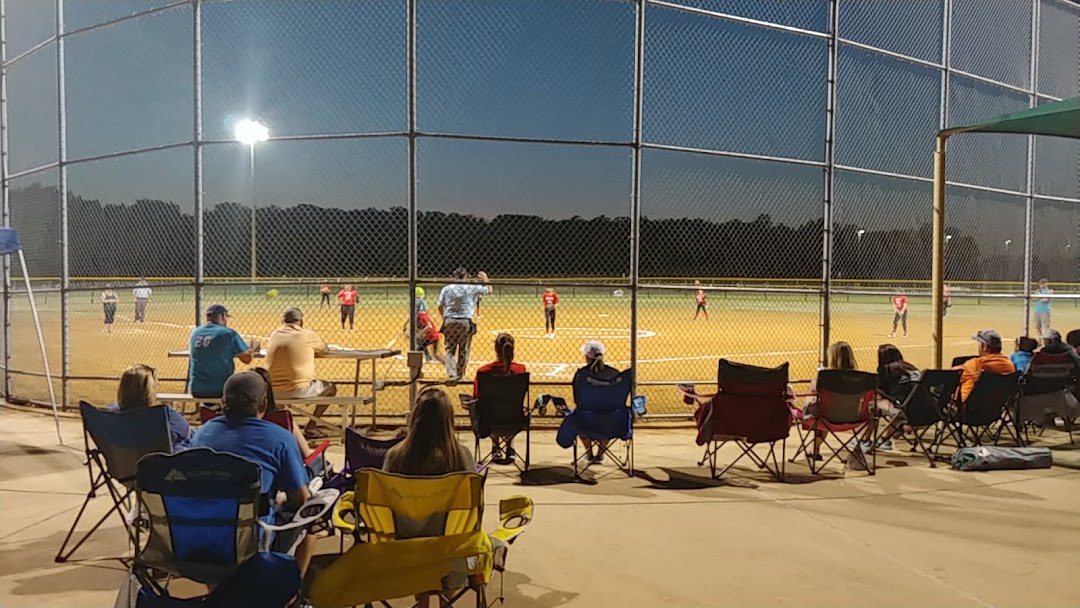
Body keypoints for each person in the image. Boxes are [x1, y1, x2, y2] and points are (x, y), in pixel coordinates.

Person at [190, 371, 315, 577]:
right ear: (263, 404)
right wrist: (281, 499)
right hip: (253, 543)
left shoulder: (202, 434)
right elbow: (301, 500)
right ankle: (290, 593)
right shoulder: (279, 439)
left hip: (203, 539)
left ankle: (219, 595)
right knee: (313, 521)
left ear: (223, 402)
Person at [265, 308, 335, 438]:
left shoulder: (274, 334)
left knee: (280, 396)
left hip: (272, 390)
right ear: (301, 321)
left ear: (282, 321)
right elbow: (325, 350)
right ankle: (311, 426)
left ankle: (282, 427)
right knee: (331, 387)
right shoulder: (307, 334)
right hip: (299, 389)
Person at [384, 387, 473, 476]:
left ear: (414, 419)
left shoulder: (394, 457)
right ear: (449, 422)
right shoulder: (463, 458)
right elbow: (475, 489)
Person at [471, 333, 528, 464]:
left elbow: (476, 396)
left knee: (489, 407)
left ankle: (496, 446)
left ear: (496, 349)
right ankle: (509, 446)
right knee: (508, 405)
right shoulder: (520, 369)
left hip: (488, 421)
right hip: (515, 420)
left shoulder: (484, 371)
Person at [109, 364, 190, 451]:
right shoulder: (164, 415)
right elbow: (185, 431)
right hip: (161, 462)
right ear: (149, 393)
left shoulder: (112, 414)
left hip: (124, 462)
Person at [188, 304, 257, 399]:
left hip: (196, 389)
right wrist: (251, 346)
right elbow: (247, 359)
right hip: (221, 389)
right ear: (223, 316)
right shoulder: (228, 333)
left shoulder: (195, 333)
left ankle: (210, 411)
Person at [805, 341, 859, 459]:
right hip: (854, 418)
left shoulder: (825, 377)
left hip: (827, 419)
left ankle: (815, 449)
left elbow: (814, 391)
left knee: (820, 410)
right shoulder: (859, 378)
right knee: (827, 410)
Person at [437, 268, 493, 382]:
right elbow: (489, 290)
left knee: (449, 349)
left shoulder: (447, 288)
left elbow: (439, 306)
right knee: (464, 349)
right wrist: (485, 278)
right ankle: (460, 375)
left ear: (454, 276)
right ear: (466, 276)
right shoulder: (471, 287)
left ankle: (451, 374)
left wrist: (445, 317)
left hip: (449, 320)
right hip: (465, 321)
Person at [573, 340, 620, 464]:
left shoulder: (581, 374)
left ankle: (589, 454)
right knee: (608, 415)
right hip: (611, 421)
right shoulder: (615, 374)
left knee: (578, 415)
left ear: (587, 357)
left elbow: (577, 399)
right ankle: (600, 455)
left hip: (587, 420)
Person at [873, 344, 923, 451]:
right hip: (928, 412)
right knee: (899, 402)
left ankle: (880, 439)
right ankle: (895, 430)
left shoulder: (886, 369)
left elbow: (881, 391)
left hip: (906, 411)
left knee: (874, 403)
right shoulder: (910, 367)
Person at [954, 330, 1016, 401]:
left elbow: (949, 377)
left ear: (984, 346)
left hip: (967, 408)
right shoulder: (1009, 365)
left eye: (979, 343)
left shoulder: (976, 364)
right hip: (995, 408)